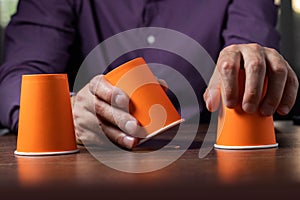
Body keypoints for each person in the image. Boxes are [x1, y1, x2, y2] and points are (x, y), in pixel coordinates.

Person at [0, 0, 298, 149]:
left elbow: (253, 60)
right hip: (90, 169)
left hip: (214, 165)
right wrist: (67, 111)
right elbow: (18, 78)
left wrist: (256, 64)